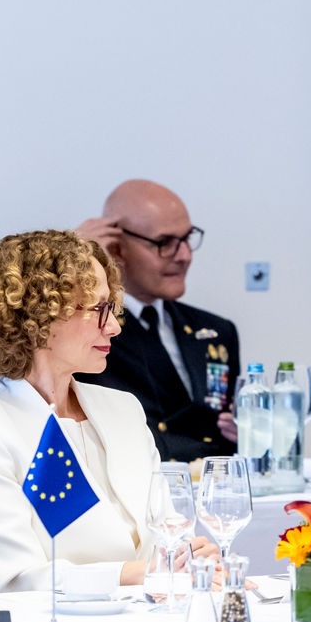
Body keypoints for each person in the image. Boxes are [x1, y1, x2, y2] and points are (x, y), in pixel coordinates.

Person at [0, 229, 218, 593]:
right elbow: (16, 582)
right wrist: (141, 573)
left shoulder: (123, 410)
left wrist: (188, 557)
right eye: (99, 309)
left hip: (154, 616)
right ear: (39, 316)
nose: (115, 326)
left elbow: (167, 534)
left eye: (113, 309)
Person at [75, 179, 239, 462]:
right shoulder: (84, 328)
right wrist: (73, 258)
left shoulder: (215, 330)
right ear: (117, 250)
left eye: (187, 239)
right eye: (165, 243)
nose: (184, 256)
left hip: (214, 491)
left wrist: (249, 430)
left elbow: (230, 430)